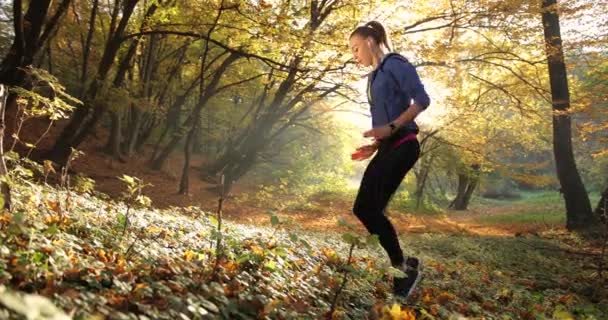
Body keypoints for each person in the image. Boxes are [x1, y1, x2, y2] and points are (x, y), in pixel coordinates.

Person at [349, 21, 430, 298]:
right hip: (388, 146)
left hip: (405, 144)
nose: (354, 55)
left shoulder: (396, 63)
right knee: (364, 208)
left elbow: (422, 100)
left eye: (356, 48)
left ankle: (403, 269)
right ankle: (406, 265)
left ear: (371, 42)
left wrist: (391, 129)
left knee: (369, 208)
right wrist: (375, 144)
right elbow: (385, 121)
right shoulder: (374, 77)